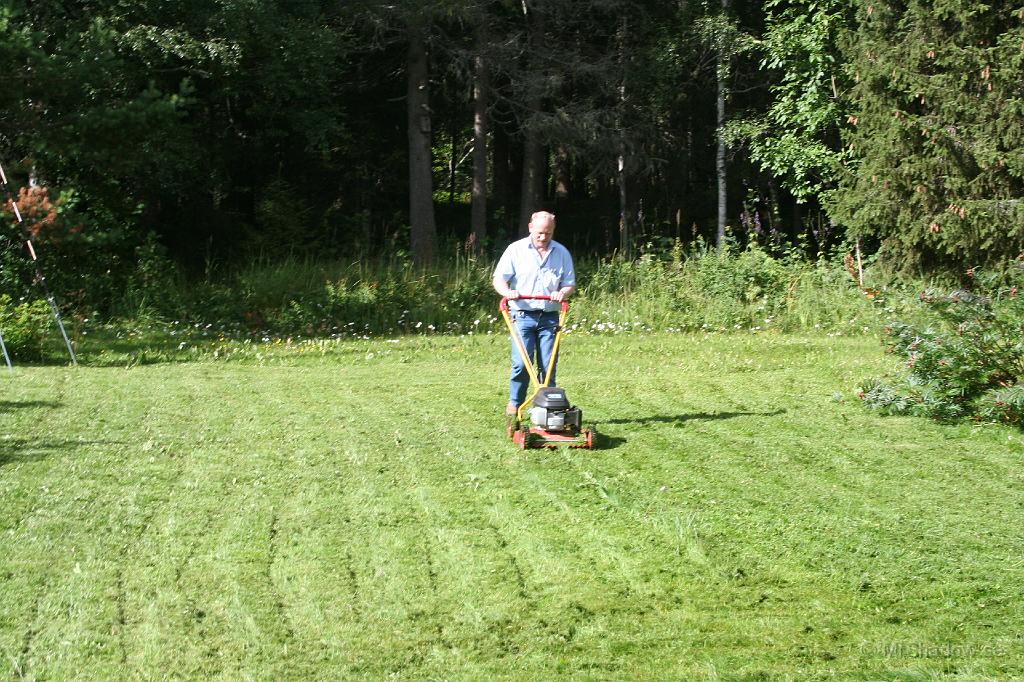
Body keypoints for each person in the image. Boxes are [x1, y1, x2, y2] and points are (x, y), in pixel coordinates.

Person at [493, 211, 576, 416]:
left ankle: (545, 409)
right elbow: (499, 279)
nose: (543, 237)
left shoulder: (561, 253)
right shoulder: (516, 250)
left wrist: (561, 293)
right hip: (522, 315)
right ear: (530, 227)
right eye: (539, 232)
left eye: (547, 233)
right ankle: (515, 403)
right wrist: (508, 292)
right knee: (521, 364)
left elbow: (569, 284)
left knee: (547, 366)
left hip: (549, 317)